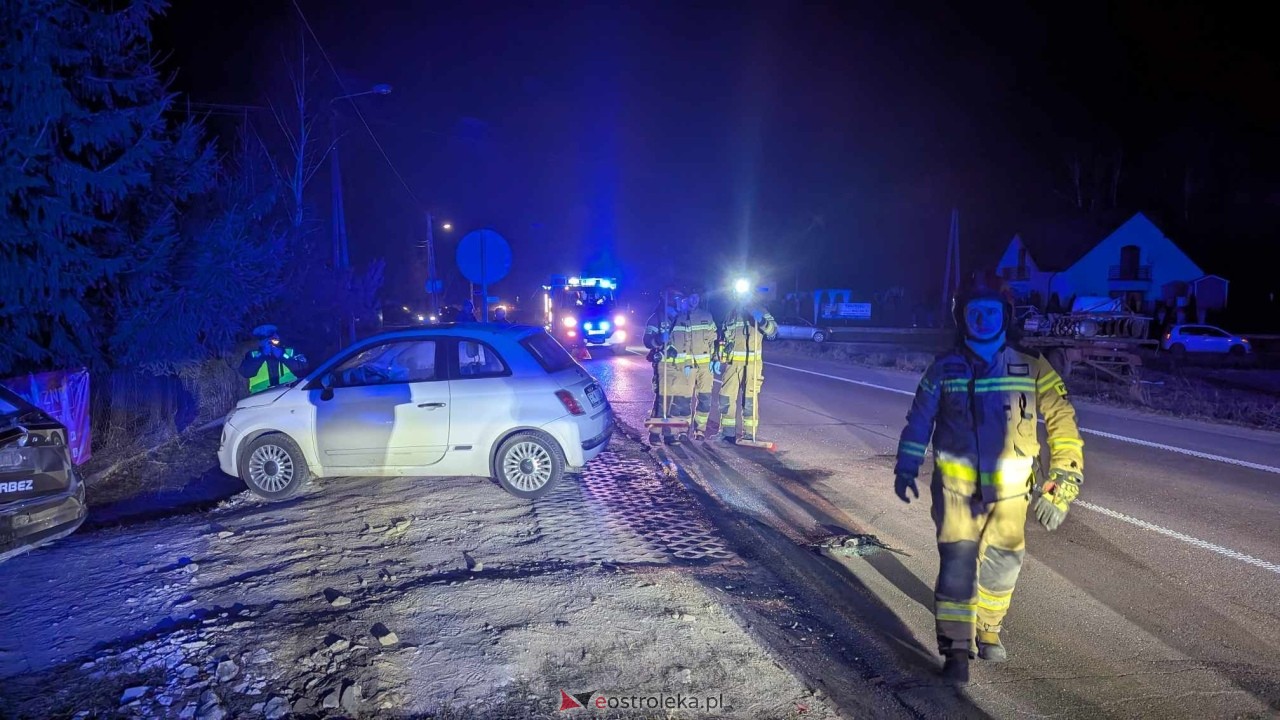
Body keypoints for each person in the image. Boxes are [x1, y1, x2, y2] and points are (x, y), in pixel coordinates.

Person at [893, 270, 1084, 685]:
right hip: (956, 490)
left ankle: (989, 627)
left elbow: (1063, 425)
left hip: (1012, 493)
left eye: (990, 311)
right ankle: (956, 648)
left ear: (1005, 315)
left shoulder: (1034, 368)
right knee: (958, 565)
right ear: (962, 317)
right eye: (974, 311)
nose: (982, 319)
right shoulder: (943, 369)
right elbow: (919, 421)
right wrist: (905, 466)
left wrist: (1062, 484)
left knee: (1004, 562)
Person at [716, 296, 777, 443]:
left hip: (752, 365)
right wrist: (719, 356)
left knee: (749, 400)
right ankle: (727, 433)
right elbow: (723, 337)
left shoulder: (761, 310)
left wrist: (760, 319)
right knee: (726, 398)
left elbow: (773, 332)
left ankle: (749, 435)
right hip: (733, 364)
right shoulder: (731, 313)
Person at [643, 287, 689, 444]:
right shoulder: (657, 318)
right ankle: (655, 433)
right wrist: (659, 339)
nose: (678, 302)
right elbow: (647, 341)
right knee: (663, 401)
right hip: (664, 366)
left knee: (675, 403)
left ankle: (670, 434)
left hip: (680, 367)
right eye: (675, 299)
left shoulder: (682, 318)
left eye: (680, 299)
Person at [239, 324, 308, 394]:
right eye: (263, 338)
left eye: (271, 337)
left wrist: (282, 355)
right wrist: (262, 355)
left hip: (289, 395)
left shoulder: (291, 351)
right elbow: (246, 373)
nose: (268, 341)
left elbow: (303, 370)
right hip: (261, 398)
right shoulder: (252, 355)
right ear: (259, 342)